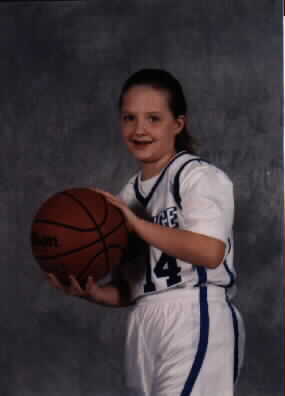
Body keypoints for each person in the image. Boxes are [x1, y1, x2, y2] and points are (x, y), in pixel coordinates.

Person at [48, 68, 245, 396]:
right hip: (144, 323)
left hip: (195, 315)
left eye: (153, 118)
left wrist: (137, 225)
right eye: (129, 118)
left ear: (177, 124)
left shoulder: (196, 176)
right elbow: (134, 288)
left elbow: (211, 252)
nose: (139, 129)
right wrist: (93, 293)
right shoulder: (128, 194)